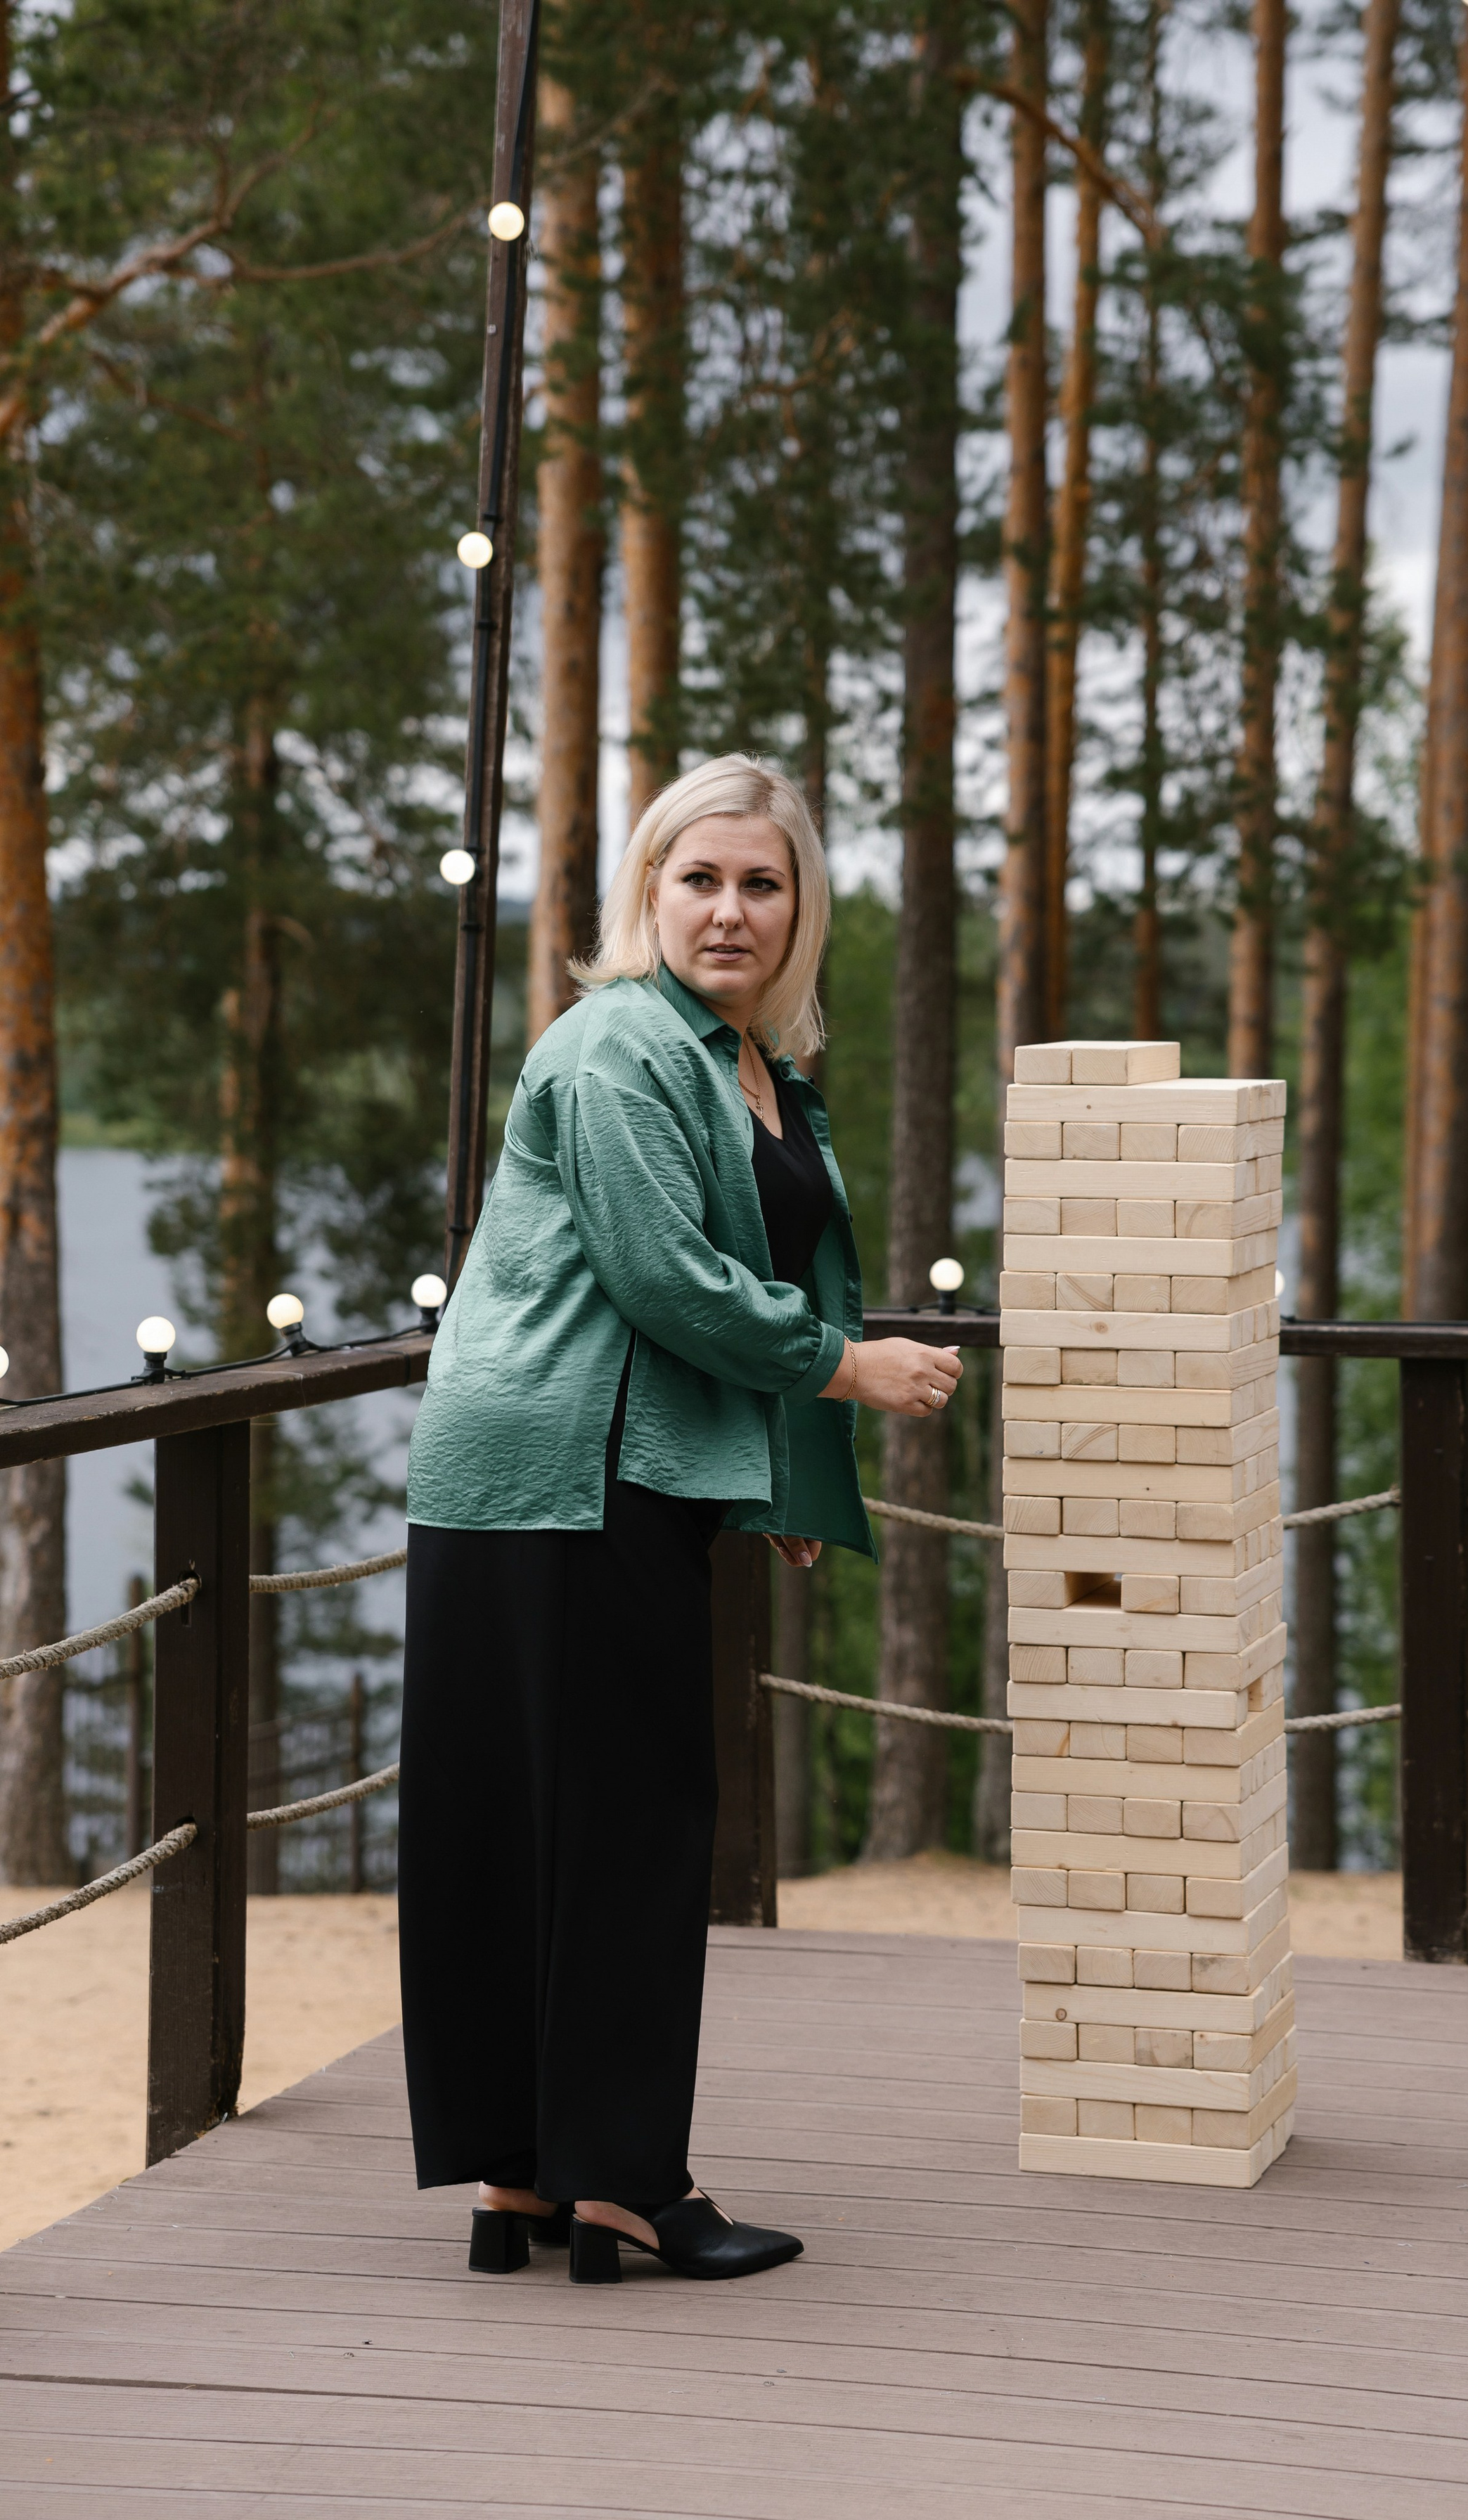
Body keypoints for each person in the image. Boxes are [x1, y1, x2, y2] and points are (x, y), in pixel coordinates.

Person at [398, 753, 962, 2285]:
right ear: (646, 893)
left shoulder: (744, 1062)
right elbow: (668, 1281)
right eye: (698, 878)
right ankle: (623, 2183)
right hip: (561, 1474)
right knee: (619, 1828)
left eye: (760, 883)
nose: (729, 909)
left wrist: (773, 1471)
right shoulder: (614, 1050)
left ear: (801, 908)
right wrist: (849, 1369)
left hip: (607, 1467)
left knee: (570, 1826)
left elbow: (738, 1276)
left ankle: (534, 2178)